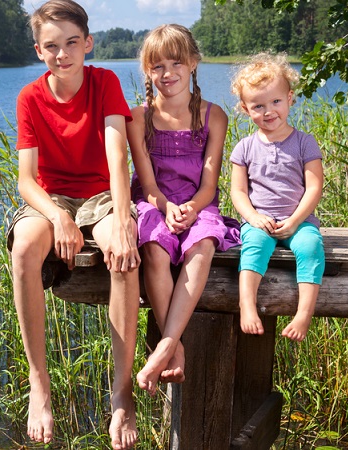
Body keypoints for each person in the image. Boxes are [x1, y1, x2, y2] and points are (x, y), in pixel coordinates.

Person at [7, 0, 141, 447]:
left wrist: (123, 219)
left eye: (70, 43)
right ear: (38, 50)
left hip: (102, 194)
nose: (61, 54)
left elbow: (116, 156)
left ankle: (122, 394)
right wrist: (57, 215)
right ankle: (39, 384)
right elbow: (27, 180)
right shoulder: (30, 97)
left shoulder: (104, 81)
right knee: (24, 247)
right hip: (53, 198)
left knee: (123, 258)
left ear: (88, 43)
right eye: (50, 46)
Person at [126, 24, 240, 396]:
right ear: (147, 71)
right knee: (156, 249)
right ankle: (175, 350)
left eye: (176, 63)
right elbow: (148, 184)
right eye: (157, 66)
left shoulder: (214, 116)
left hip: (198, 202)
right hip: (154, 200)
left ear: (193, 63)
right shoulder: (138, 118)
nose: (167, 73)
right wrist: (167, 207)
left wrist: (190, 208)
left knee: (203, 244)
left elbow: (209, 185)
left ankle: (164, 346)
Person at [230, 52, 325, 342]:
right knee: (254, 247)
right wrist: (254, 218)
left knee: (311, 247)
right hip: (260, 222)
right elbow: (238, 191)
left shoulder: (304, 142)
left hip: (299, 220)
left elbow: (314, 187)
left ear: (290, 98)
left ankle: (303, 314)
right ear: (246, 109)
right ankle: (247, 305)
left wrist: (296, 222)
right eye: (258, 106)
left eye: (276, 102)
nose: (268, 111)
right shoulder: (244, 147)